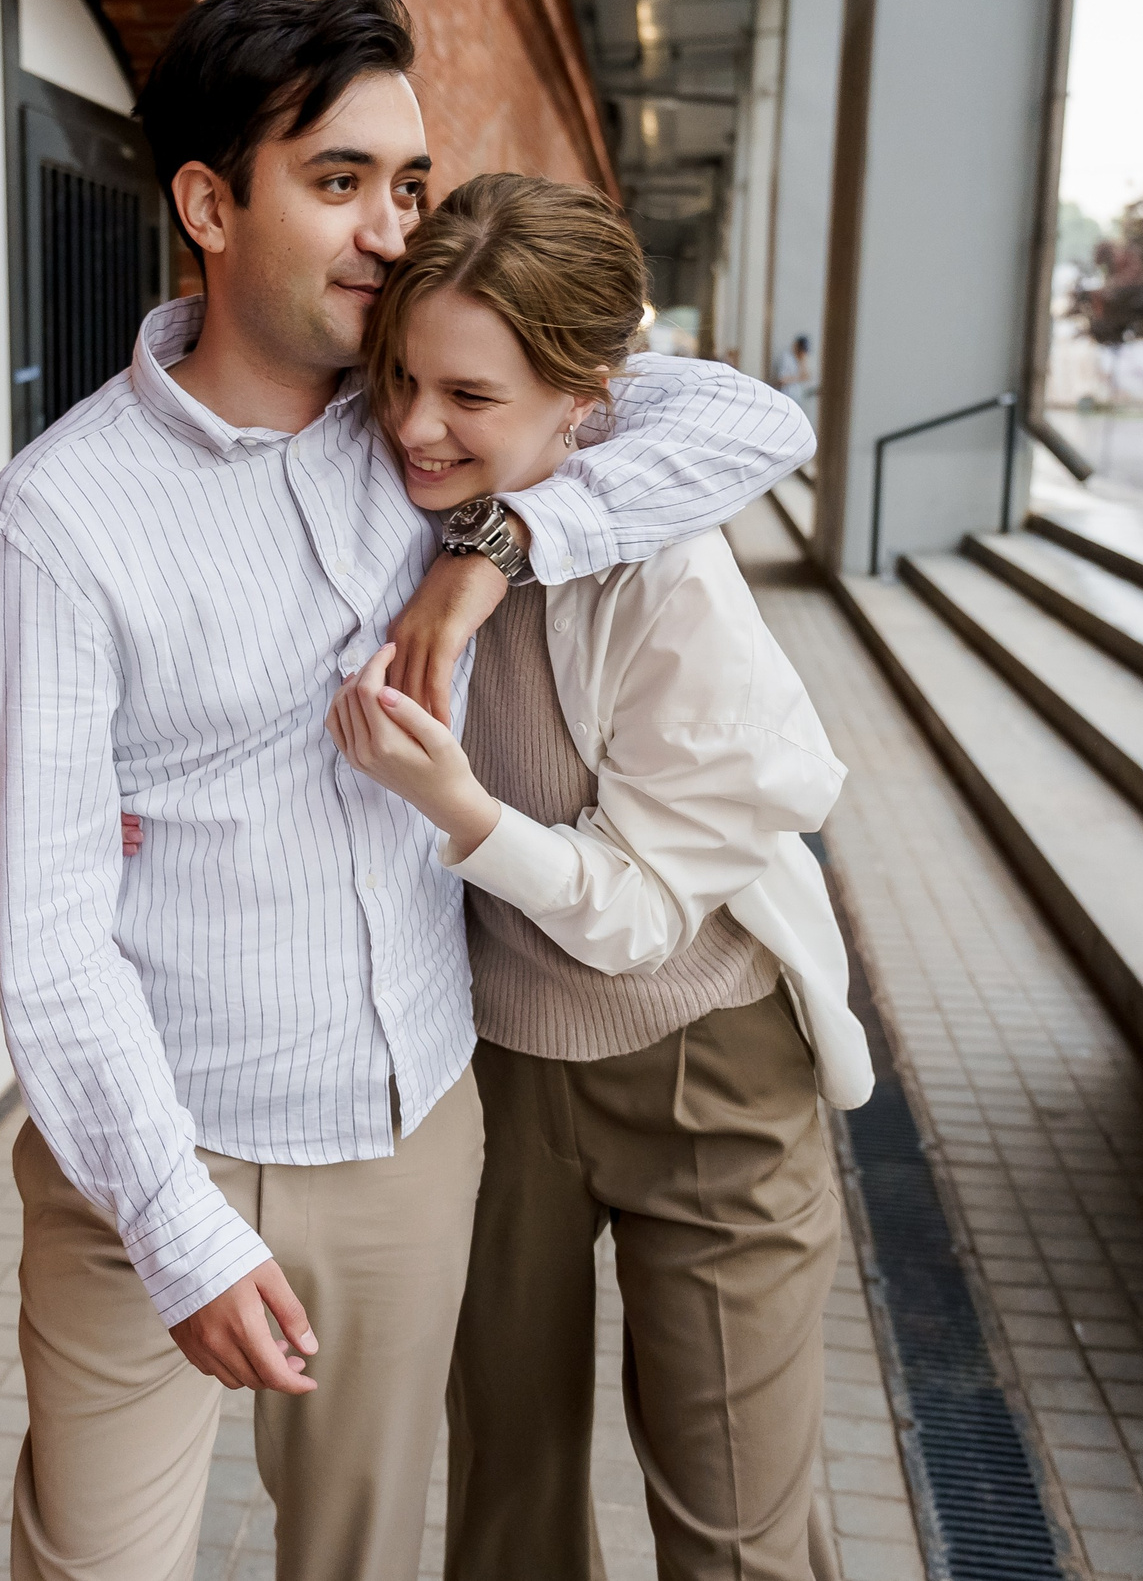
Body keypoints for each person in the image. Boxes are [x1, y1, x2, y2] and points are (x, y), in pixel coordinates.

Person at [0, 0, 816, 1581]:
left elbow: (743, 417)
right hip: (156, 1154)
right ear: (210, 206)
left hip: (415, 1134)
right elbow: (50, 936)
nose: (386, 229)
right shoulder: (56, 523)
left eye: (408, 185)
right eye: (338, 181)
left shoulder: (419, 429)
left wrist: (501, 546)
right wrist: (176, 1221)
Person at [325, 173, 874, 1581]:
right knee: (507, 1502)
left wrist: (464, 812)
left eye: (468, 397)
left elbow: (635, 915)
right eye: (399, 378)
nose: (413, 426)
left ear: (588, 407)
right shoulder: (386, 495)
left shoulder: (666, 579)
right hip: (499, 1068)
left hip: (709, 1062)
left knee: (734, 1519)